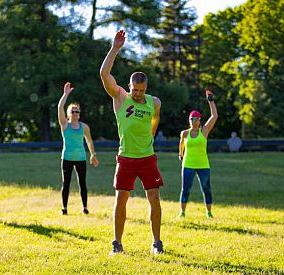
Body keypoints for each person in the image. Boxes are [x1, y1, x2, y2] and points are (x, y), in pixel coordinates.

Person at [100, 30, 164, 255]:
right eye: (135, 90)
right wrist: (115, 48)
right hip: (126, 156)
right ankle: (117, 243)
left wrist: (152, 133)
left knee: (154, 197)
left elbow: (155, 118)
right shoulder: (120, 97)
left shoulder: (153, 102)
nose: (138, 94)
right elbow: (104, 74)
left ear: (146, 89)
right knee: (121, 197)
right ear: (129, 86)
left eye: (141, 91)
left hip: (147, 157)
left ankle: (157, 243)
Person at [58, 82, 99, 215]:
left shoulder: (84, 127)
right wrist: (65, 94)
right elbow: (59, 107)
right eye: (72, 111)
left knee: (83, 184)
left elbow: (89, 141)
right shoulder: (64, 125)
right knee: (66, 184)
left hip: (80, 158)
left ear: (79, 114)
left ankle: (85, 208)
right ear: (69, 114)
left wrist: (93, 154)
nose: (75, 113)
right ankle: (64, 208)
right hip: (67, 158)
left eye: (77, 111)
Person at [178, 90, 218, 219]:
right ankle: (182, 212)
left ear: (200, 120)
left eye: (195, 119)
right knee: (186, 189)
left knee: (206, 189)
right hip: (188, 164)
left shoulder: (204, 131)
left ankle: (209, 212)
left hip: (203, 164)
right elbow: (181, 145)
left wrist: (210, 101)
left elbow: (214, 116)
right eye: (191, 119)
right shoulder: (184, 133)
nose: (193, 121)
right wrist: (181, 155)